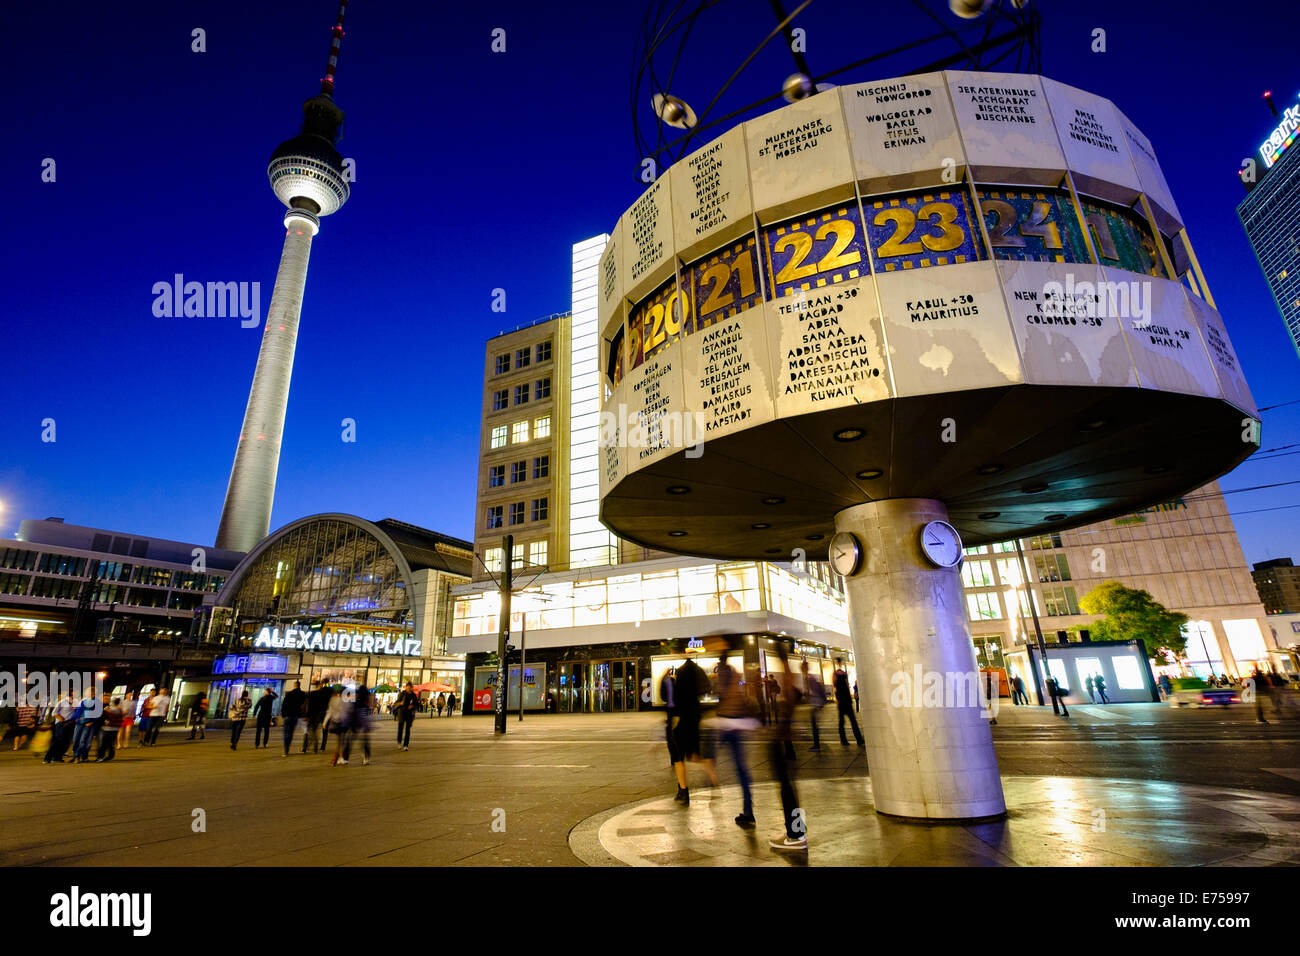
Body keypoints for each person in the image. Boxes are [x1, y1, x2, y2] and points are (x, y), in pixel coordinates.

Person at [770, 644, 807, 852]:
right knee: (789, 789)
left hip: (784, 748)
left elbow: (789, 678)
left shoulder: (791, 697)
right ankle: (797, 829)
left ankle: (796, 835)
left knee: (787, 790)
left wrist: (783, 660)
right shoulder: (790, 696)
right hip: (785, 746)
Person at [715, 652, 758, 828]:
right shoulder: (732, 673)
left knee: (737, 766)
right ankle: (748, 807)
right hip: (734, 721)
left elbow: (721, 693)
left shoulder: (724, 673)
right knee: (740, 766)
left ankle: (748, 809)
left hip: (728, 722)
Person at [669, 654, 716, 805]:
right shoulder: (697, 671)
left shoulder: (681, 672)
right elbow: (707, 688)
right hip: (695, 717)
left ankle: (683, 791)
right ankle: (712, 775)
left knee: (678, 757)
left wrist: (675, 718)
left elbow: (676, 697)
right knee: (695, 755)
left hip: (683, 719)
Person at [833, 658, 864, 747]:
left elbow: (835, 685)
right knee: (851, 721)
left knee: (844, 722)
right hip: (844, 700)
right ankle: (858, 739)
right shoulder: (841, 673)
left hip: (843, 700)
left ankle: (845, 740)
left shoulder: (837, 674)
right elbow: (841, 685)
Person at [341, 684, 373, 766]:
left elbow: (351, 713)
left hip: (355, 723)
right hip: (360, 724)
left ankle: (346, 758)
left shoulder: (357, 702)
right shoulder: (364, 703)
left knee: (350, 741)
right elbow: (364, 716)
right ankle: (366, 758)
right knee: (364, 742)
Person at [44, 691, 76, 763]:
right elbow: (54, 712)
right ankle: (47, 757)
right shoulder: (63, 701)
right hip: (61, 723)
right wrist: (60, 718)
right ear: (71, 694)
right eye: (75, 692)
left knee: (66, 742)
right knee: (58, 741)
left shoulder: (76, 702)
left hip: (70, 723)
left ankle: (57, 757)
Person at [660, 666, 680, 769]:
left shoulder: (666, 681)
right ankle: (675, 757)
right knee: (673, 734)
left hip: (671, 709)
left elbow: (662, 696)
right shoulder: (671, 681)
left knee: (671, 735)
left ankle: (674, 757)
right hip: (674, 710)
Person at [303, 680, 331, 753]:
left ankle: (305, 748)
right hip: (323, 713)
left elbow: (308, 705)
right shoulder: (325, 693)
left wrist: (306, 715)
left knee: (309, 731)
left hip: (312, 714)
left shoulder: (311, 694)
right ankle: (322, 747)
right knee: (324, 731)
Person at [280, 680, 306, 756]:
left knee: (286, 733)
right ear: (299, 685)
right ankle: (287, 748)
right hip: (295, 716)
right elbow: (302, 705)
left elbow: (284, 704)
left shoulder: (289, 694)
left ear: (294, 685)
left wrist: (283, 714)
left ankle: (286, 750)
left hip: (287, 715)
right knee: (291, 733)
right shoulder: (302, 694)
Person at [96, 696, 124, 762]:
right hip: (112, 728)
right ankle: (107, 756)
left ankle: (102, 757)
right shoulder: (118, 710)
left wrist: (106, 711)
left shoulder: (110, 709)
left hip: (107, 728)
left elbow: (109, 716)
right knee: (108, 744)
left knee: (104, 744)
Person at [327, 687, 348, 765]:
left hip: (335, 722)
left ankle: (339, 757)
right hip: (343, 723)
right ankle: (338, 757)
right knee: (341, 741)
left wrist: (325, 723)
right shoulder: (344, 701)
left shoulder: (332, 700)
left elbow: (330, 712)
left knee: (339, 741)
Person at [395, 682, 418, 751]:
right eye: (408, 687)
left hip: (409, 714)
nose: (409, 689)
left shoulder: (413, 695)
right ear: (406, 687)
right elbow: (396, 703)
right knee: (400, 729)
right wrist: (400, 703)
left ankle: (406, 745)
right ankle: (399, 742)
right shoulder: (402, 694)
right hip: (401, 713)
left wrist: (412, 706)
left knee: (408, 730)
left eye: (410, 688)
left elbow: (416, 704)